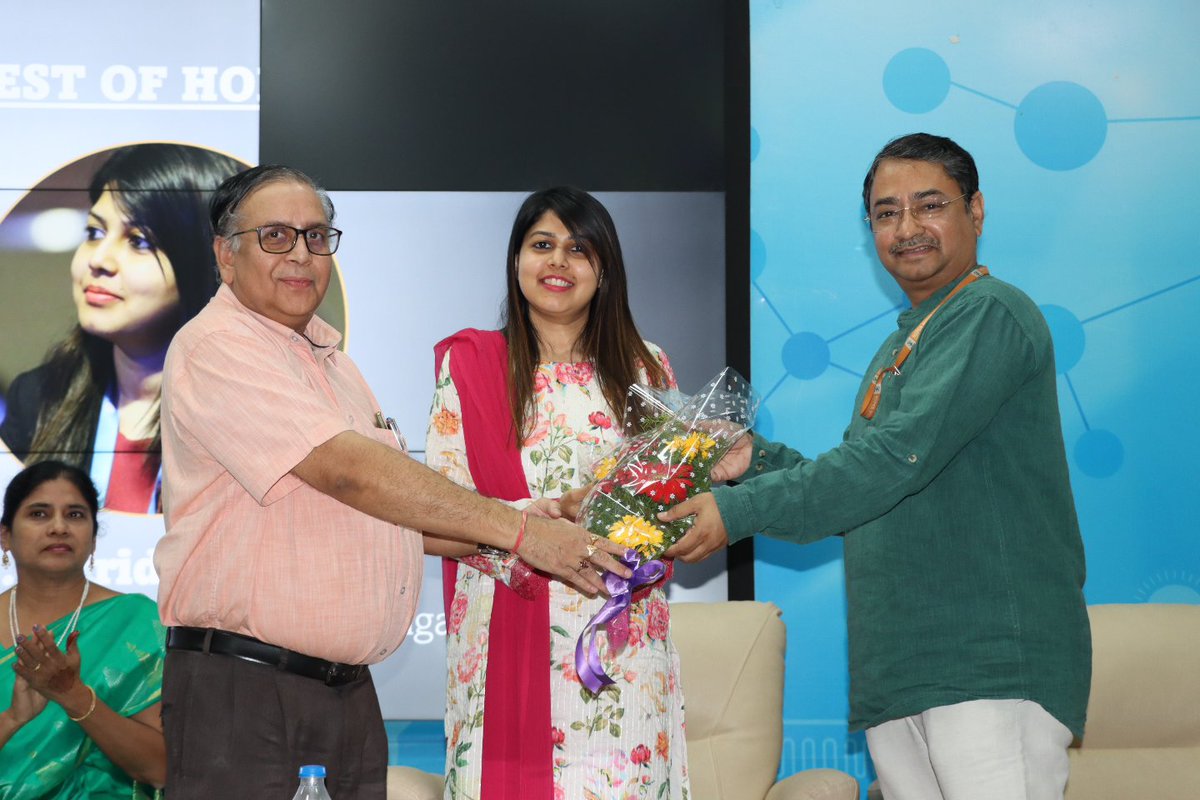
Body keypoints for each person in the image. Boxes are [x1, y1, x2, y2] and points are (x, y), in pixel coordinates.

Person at [155, 166, 630, 799]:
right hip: (250, 692)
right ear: (225, 254)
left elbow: (385, 512)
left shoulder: (335, 365)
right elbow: (351, 473)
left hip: (344, 695)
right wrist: (519, 533)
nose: (300, 254)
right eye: (275, 236)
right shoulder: (217, 346)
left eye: (317, 236)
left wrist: (528, 517)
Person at [662, 133, 1091, 800]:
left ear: (976, 211)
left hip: (986, 668)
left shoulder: (990, 312)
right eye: (886, 213)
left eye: (929, 205)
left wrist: (737, 512)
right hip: (904, 672)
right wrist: (756, 463)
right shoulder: (909, 336)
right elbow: (871, 484)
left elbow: (893, 459)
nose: (907, 228)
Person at [425, 187, 690, 799]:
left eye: (579, 248)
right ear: (516, 260)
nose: (558, 262)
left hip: (619, 646)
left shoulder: (648, 370)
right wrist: (534, 521)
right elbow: (432, 511)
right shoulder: (470, 366)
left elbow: (671, 504)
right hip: (503, 640)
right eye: (541, 245)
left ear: (605, 268)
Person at [0, 144, 244, 514]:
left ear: (205, 264)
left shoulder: (249, 420)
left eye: (138, 242)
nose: (98, 260)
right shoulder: (37, 400)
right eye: (95, 233)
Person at [0, 460, 166, 798]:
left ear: (93, 540)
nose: (59, 527)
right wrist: (13, 719)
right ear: (5, 537)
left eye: (75, 515)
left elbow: (159, 769)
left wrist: (73, 696)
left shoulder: (136, 622)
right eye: (39, 514)